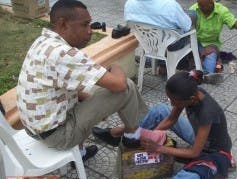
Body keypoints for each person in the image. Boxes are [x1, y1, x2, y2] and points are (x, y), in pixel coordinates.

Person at [16, 0, 148, 163]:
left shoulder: (43, 42)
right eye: (85, 25)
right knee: (127, 87)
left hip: (34, 128)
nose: (90, 31)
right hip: (58, 136)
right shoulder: (63, 54)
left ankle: (82, 152)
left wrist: (89, 101)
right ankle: (132, 138)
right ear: (62, 24)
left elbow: (61, 83)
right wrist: (114, 66)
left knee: (85, 92)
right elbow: (119, 84)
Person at [107, 70, 233, 179]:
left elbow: (194, 153)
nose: (173, 104)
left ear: (191, 99)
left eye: (175, 102)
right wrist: (152, 135)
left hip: (215, 151)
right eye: (171, 99)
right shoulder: (191, 92)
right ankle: (131, 134)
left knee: (191, 177)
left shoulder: (207, 112)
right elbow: (171, 119)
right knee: (160, 109)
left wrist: (158, 148)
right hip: (199, 136)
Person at [124, 0, 194, 74]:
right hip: (171, 44)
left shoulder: (129, 3)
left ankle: (158, 62)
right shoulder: (171, 5)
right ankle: (182, 62)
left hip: (147, 42)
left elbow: (129, 23)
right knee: (193, 14)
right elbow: (187, 26)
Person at [189, 0, 237, 83]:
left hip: (211, 44)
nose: (200, 8)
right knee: (184, 59)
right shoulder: (194, 9)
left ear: (211, 3)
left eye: (203, 6)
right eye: (199, 5)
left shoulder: (222, 10)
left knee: (209, 68)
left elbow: (234, 24)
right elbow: (186, 27)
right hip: (194, 41)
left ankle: (201, 74)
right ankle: (197, 72)